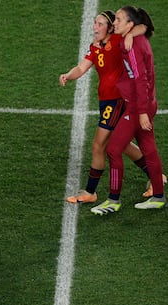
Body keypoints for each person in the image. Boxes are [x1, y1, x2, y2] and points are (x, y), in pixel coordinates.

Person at [60, 11, 157, 207]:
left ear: (111, 27)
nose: (95, 27)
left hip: (117, 100)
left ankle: (90, 191)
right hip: (106, 100)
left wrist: (129, 34)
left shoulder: (118, 40)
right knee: (121, 144)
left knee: (99, 144)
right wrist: (68, 75)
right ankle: (156, 177)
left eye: (100, 24)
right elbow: (81, 68)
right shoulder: (95, 47)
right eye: (95, 23)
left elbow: (144, 27)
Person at [91, 6, 165, 214]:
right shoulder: (135, 38)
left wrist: (141, 112)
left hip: (138, 105)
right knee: (149, 149)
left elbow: (140, 80)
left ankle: (113, 201)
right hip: (145, 102)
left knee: (114, 149)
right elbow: (145, 26)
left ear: (130, 24)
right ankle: (158, 196)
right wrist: (132, 32)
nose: (115, 22)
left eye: (120, 20)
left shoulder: (132, 47)